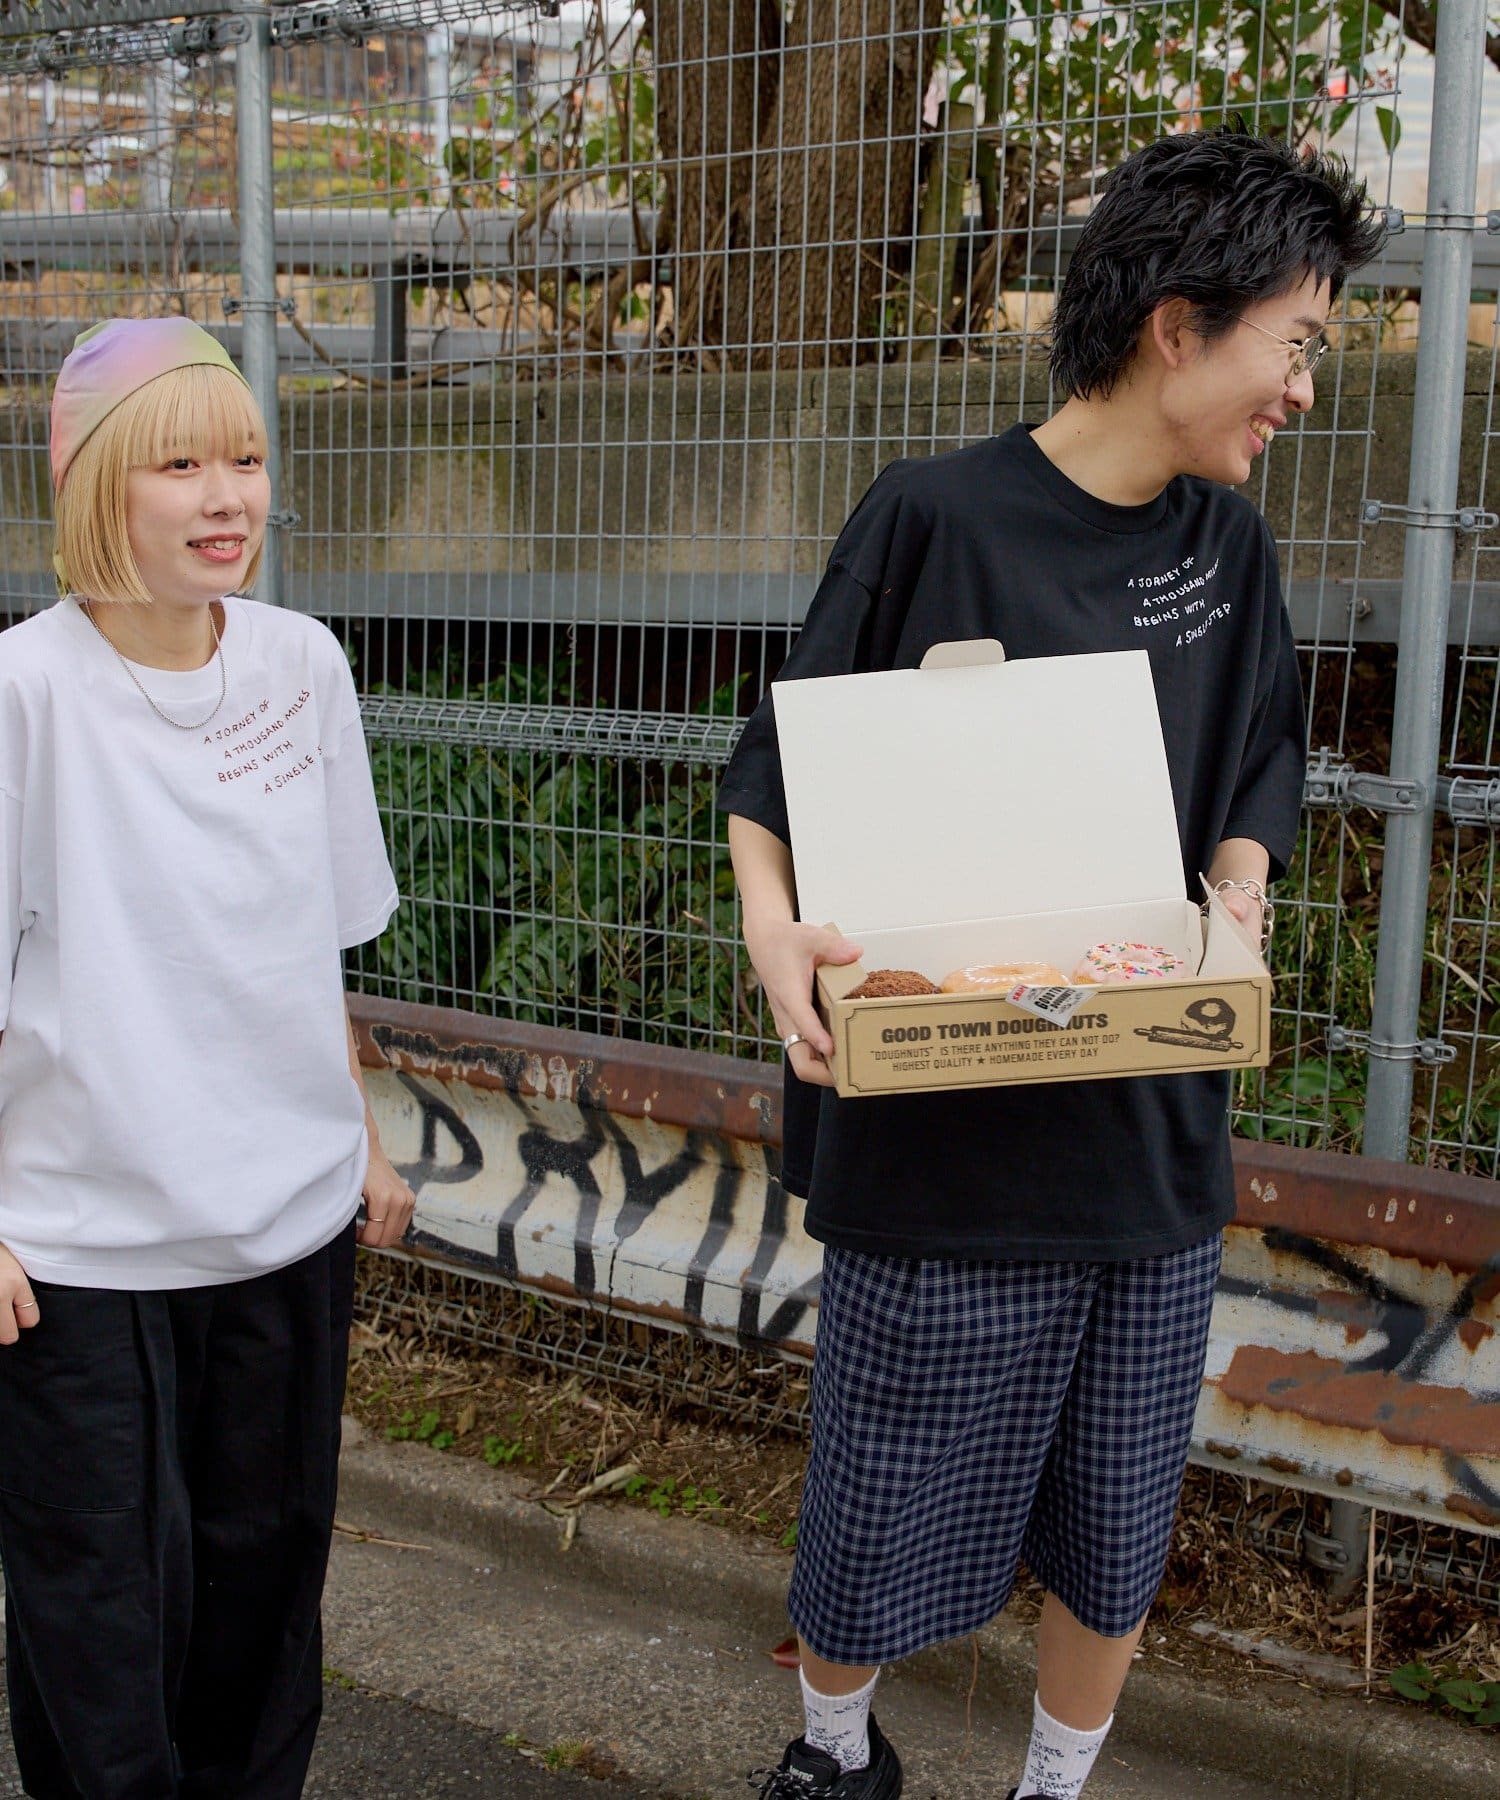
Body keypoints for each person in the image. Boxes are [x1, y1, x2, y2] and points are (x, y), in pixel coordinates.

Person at [719, 130, 1385, 1799]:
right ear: (1178, 325)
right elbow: (776, 772)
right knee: (881, 1499)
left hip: (1143, 1134)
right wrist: (773, 933)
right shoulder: (934, 517)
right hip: (942, 1131)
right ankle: (834, 1754)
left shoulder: (1227, 550)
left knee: (1116, 1520)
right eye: (1295, 343)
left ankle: (1052, 1787)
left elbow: (1259, 769)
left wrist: (1237, 893)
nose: (1303, 390)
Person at [0, 317, 413, 1798]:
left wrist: (361, 1131)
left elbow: (307, 943)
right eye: (178, 466)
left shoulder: (304, 665)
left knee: (263, 1595)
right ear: (95, 483)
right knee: (100, 1617)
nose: (227, 496)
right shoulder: (25, 692)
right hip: (79, 1245)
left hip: (285, 1218)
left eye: (243, 457)